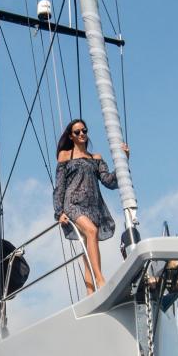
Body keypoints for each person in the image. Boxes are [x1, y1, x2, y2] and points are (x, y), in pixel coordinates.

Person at [53, 118, 128, 295]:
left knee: (89, 244)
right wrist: (59, 212)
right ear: (71, 136)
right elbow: (60, 186)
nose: (82, 134)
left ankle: (90, 292)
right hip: (73, 204)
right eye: (77, 132)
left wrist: (123, 160)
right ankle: (100, 279)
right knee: (92, 232)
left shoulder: (96, 158)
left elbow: (109, 181)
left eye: (84, 131)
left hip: (94, 206)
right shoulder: (65, 156)